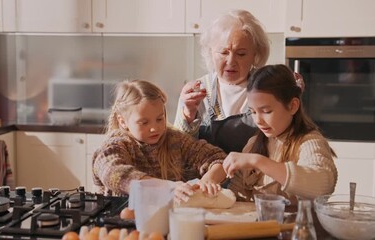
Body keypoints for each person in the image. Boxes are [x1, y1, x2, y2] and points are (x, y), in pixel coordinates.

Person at [174, 9, 303, 154]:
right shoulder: (196, 91)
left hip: (254, 174)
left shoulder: (268, 87)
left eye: (241, 54)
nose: (231, 61)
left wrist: (290, 103)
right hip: (206, 175)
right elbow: (177, 151)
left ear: (255, 54)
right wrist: (188, 115)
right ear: (210, 52)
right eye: (223, 52)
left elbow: (289, 141)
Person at [220, 64, 337, 202]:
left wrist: (258, 161)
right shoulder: (253, 144)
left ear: (293, 106)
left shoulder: (309, 142)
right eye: (253, 111)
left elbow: (322, 185)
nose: (258, 120)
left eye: (266, 111)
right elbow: (236, 197)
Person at [92, 79, 226, 196]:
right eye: (144, 122)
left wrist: (208, 180)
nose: (154, 128)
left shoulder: (175, 140)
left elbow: (217, 158)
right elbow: (113, 172)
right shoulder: (118, 145)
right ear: (123, 122)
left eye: (159, 119)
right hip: (119, 220)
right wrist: (167, 187)